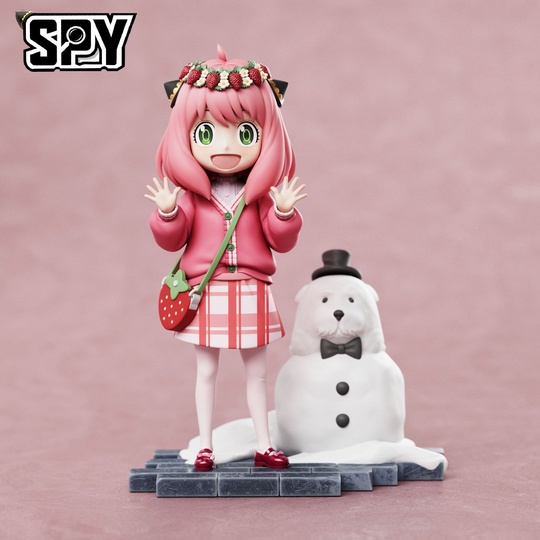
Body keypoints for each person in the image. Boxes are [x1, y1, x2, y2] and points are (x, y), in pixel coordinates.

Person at [145, 46, 306, 471]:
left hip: (251, 286)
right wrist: (167, 213)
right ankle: (206, 445)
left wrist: (284, 212)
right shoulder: (193, 197)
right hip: (207, 289)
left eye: (246, 133)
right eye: (206, 133)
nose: (226, 146)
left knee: (257, 373)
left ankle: (264, 444)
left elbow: (281, 241)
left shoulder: (261, 196)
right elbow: (173, 239)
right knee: (206, 372)